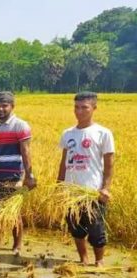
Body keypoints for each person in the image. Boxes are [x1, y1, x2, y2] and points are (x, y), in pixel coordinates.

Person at [57, 92, 114, 267]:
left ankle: (99, 261)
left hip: (92, 192)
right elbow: (64, 161)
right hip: (71, 191)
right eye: (76, 107)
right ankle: (83, 258)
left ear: (94, 108)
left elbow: (110, 164)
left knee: (96, 229)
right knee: (75, 227)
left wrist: (105, 188)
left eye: (84, 107)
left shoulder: (103, 133)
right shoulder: (68, 134)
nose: (79, 111)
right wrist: (59, 184)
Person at [0, 91, 36, 254]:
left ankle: (17, 245)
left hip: (13, 175)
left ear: (12, 106)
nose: (0, 109)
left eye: (4, 105)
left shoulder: (20, 125)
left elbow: (26, 151)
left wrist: (29, 175)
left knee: (13, 212)